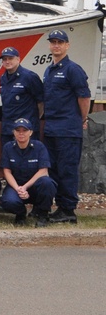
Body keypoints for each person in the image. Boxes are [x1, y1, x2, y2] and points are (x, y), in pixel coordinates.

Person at [42, 29, 91, 224]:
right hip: (52, 127)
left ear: (67, 45)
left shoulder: (73, 69)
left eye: (60, 42)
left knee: (67, 170)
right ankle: (59, 207)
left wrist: (82, 119)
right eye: (53, 42)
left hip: (68, 129)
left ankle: (68, 210)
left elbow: (84, 97)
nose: (56, 45)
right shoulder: (49, 70)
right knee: (53, 169)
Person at [0, 118, 57, 227]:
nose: (21, 133)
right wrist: (18, 188)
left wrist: (25, 187)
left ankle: (43, 215)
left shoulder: (39, 147)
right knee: (8, 201)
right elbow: (7, 172)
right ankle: (20, 214)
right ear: (13, 132)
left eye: (24, 130)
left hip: (34, 186)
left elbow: (43, 171)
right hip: (16, 186)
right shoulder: (8, 147)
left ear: (30, 132)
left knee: (47, 183)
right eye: (18, 130)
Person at [0, 46, 44, 143]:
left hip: (26, 130)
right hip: (8, 129)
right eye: (4, 59)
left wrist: (33, 120)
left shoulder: (29, 77)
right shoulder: (3, 78)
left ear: (18, 59)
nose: (7, 61)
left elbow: (41, 102)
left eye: (10, 58)